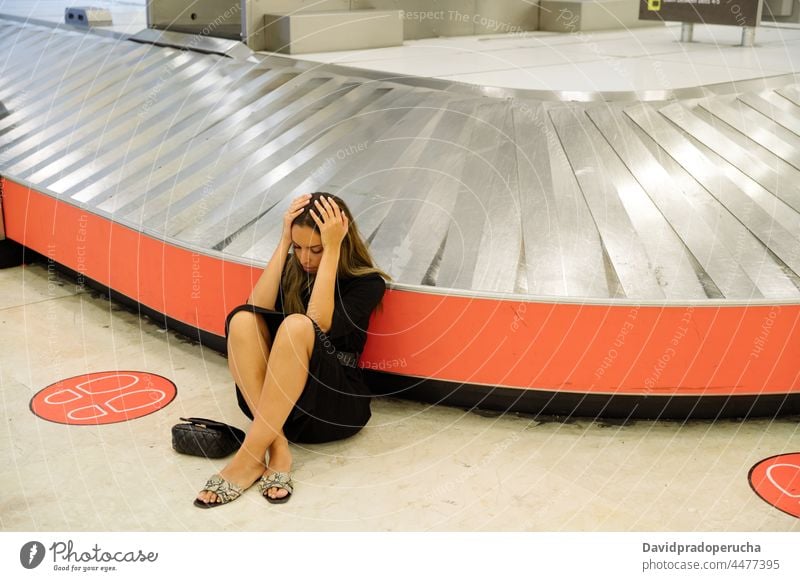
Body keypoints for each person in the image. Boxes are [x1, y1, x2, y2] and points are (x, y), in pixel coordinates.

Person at [194, 192, 389, 508]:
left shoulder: (368, 284)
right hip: (277, 407)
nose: (306, 259)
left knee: (299, 325)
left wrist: (333, 250)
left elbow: (318, 323)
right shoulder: (293, 267)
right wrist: (284, 240)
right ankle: (277, 449)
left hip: (331, 407)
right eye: (298, 248)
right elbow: (254, 310)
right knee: (243, 318)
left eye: (316, 249)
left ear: (341, 239)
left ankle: (248, 458)